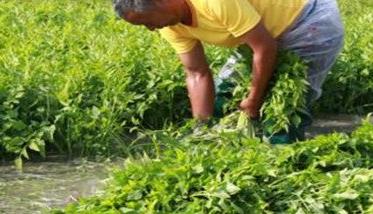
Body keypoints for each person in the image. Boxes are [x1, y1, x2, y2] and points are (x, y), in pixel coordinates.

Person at [113, 0, 344, 143]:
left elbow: (264, 47)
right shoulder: (170, 25)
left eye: (147, 21)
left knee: (284, 113)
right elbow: (196, 72)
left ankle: (284, 161)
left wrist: (253, 101)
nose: (151, 28)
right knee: (223, 100)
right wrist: (201, 128)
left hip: (308, 22)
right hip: (257, 38)